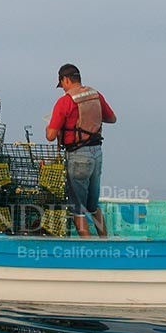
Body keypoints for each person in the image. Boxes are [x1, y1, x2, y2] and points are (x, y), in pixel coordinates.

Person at [46, 63, 117, 238]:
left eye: (62, 84)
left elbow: (50, 135)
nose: (63, 88)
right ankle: (104, 240)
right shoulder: (95, 95)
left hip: (78, 156)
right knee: (93, 205)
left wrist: (50, 126)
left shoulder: (65, 101)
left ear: (66, 79)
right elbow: (112, 118)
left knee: (77, 208)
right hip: (97, 153)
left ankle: (88, 246)